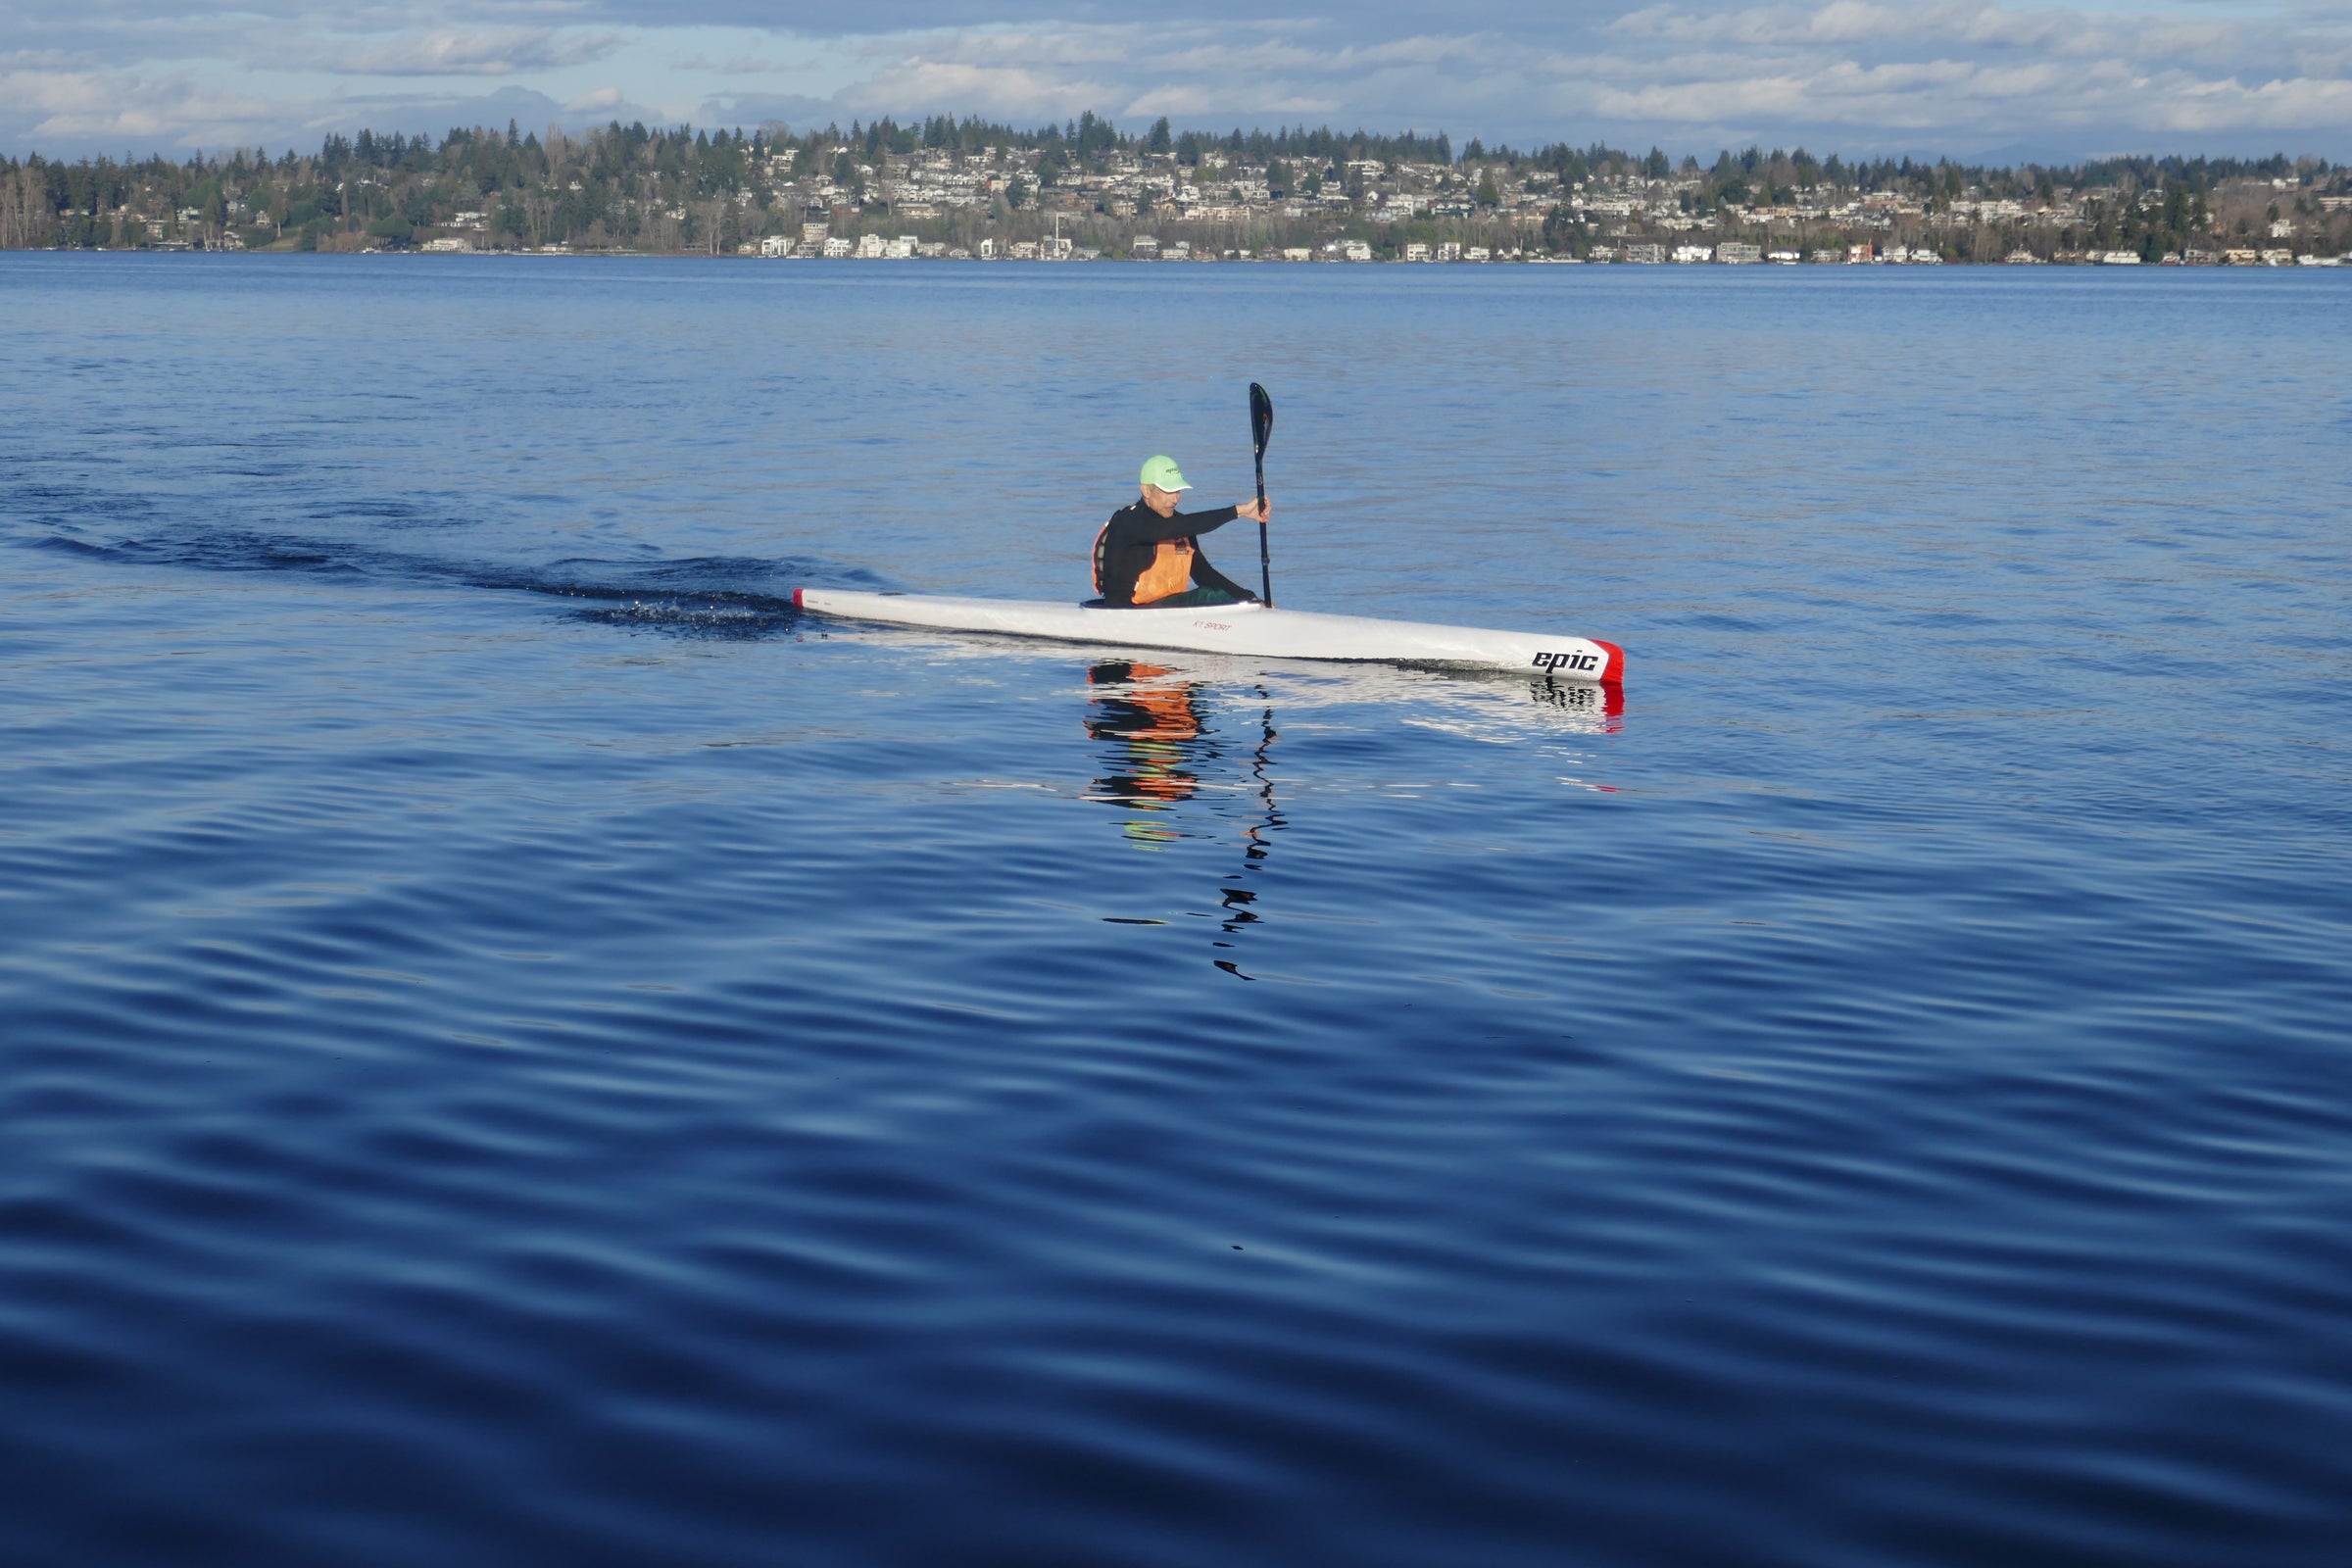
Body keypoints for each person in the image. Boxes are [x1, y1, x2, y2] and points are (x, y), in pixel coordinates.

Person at [1090, 454, 1269, 608]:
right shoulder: (1128, 522)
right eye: (1168, 491)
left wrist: (1249, 598)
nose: (1175, 499)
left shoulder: (1180, 525)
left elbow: (1204, 575)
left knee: (1216, 593)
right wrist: (1239, 511)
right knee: (1208, 597)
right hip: (1125, 613)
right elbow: (1172, 527)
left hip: (1165, 613)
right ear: (1146, 490)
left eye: (1178, 491)